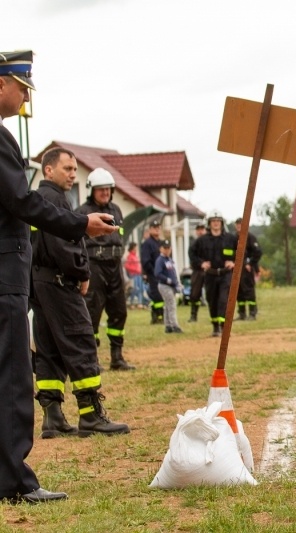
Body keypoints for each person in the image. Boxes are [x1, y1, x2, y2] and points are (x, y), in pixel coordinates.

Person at [0, 51, 122, 503]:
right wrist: (82, 224)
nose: (24, 98)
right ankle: (13, 481)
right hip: (7, 274)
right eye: (21, 88)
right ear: (1, 84)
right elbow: (20, 201)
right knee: (14, 377)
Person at [30, 149, 131, 440]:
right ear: (49, 170)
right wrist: (81, 272)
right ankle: (91, 415)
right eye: (68, 168)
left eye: (75, 169)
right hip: (60, 283)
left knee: (48, 348)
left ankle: (53, 418)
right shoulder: (56, 200)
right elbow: (64, 244)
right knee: (80, 339)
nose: (73, 174)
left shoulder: (38, 200)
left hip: (40, 282)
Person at [76, 168, 135, 370]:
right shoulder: (83, 212)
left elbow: (120, 234)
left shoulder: (116, 210)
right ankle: (92, 360)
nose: (105, 193)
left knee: (119, 311)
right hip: (95, 266)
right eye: (100, 189)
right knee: (92, 313)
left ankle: (117, 357)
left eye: (108, 189)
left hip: (115, 266)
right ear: (91, 190)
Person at [194, 210, 236, 337]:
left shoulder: (230, 239)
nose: (216, 223)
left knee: (224, 300)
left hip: (225, 274)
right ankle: (215, 327)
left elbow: (241, 252)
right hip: (210, 275)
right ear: (209, 223)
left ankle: (224, 327)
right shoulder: (202, 240)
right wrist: (201, 263)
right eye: (213, 221)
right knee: (212, 300)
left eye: (218, 221)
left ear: (222, 223)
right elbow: (192, 254)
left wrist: (234, 262)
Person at [234, 217, 262, 320]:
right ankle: (242, 313)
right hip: (236, 269)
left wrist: (250, 264)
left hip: (247, 269)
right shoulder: (234, 238)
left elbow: (257, 252)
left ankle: (252, 313)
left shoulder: (250, 237)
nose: (239, 227)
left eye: (241, 225)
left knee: (249, 290)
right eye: (237, 225)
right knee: (238, 291)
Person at [154, 239, 183, 334]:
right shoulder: (160, 260)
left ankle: (168, 326)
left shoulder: (169, 259)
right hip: (164, 285)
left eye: (168, 248)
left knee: (167, 306)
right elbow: (157, 273)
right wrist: (168, 280)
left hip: (171, 286)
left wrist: (177, 282)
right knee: (171, 305)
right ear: (161, 249)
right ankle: (174, 325)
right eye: (165, 248)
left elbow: (173, 272)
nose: (167, 250)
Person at [140, 219, 165, 323]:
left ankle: (156, 317)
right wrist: (153, 272)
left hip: (163, 274)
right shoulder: (147, 243)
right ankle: (158, 317)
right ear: (150, 230)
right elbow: (145, 260)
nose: (157, 230)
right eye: (154, 228)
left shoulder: (162, 243)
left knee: (161, 295)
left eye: (158, 228)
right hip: (153, 274)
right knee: (157, 295)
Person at [187, 222, 206, 322]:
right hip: (198, 270)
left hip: (210, 270)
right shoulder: (194, 243)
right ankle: (193, 315)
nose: (200, 231)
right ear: (196, 231)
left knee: (214, 293)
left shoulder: (210, 241)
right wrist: (200, 263)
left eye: (202, 229)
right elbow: (191, 255)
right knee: (194, 294)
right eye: (198, 229)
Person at [124, 242, 146, 307]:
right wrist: (134, 269)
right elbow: (127, 266)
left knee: (140, 288)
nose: (136, 249)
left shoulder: (136, 256)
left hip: (139, 274)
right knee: (134, 288)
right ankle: (132, 302)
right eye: (135, 248)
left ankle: (140, 302)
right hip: (133, 274)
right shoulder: (129, 256)